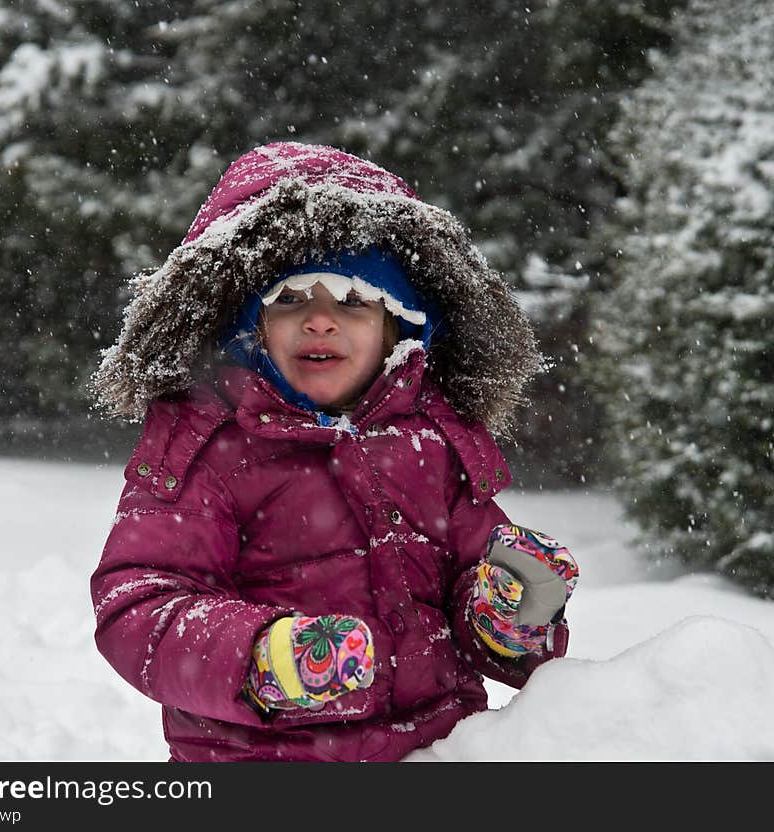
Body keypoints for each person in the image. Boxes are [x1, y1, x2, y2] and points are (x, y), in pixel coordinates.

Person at [89, 141, 579, 762]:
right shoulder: (210, 448)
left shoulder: (434, 442)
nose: (320, 322)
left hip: (435, 753)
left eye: (351, 301)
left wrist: (507, 616)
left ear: (397, 327)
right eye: (290, 300)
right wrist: (263, 657)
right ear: (253, 326)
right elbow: (140, 603)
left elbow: (464, 600)